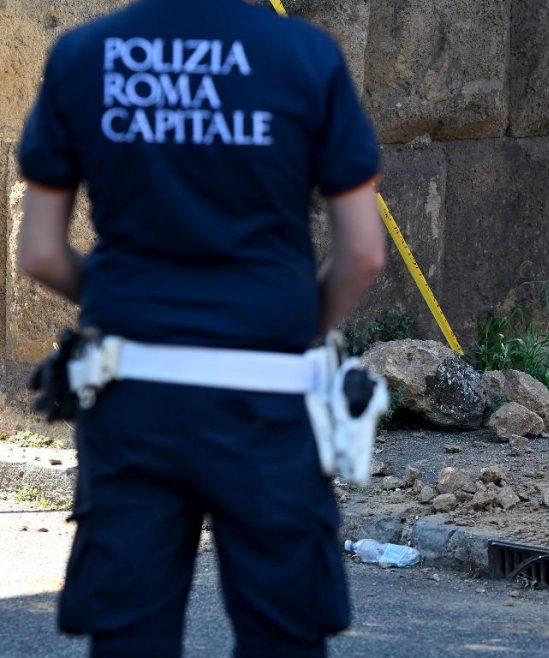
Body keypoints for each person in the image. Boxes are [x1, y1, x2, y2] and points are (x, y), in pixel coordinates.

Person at [17, 0, 385, 655]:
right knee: (285, 634)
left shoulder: (82, 55)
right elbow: (362, 252)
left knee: (130, 635)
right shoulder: (306, 55)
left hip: (131, 394)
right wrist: (298, 334)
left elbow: (41, 251)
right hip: (269, 400)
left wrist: (115, 302)